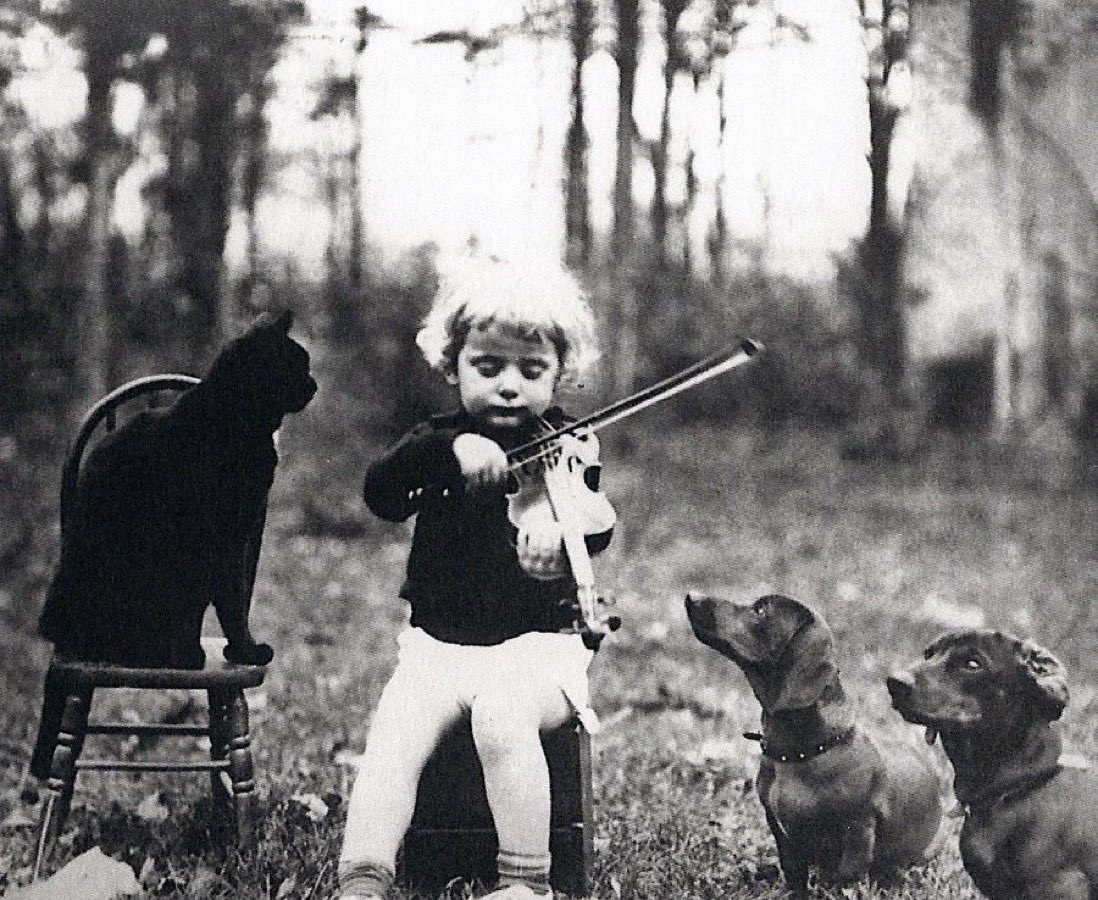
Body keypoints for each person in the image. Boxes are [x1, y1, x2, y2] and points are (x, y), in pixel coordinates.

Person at [337, 253, 616, 900]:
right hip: (438, 648)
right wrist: (445, 452)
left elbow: (592, 523)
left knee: (502, 714)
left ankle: (526, 883)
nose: (509, 386)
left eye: (532, 369)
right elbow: (381, 493)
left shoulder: (568, 448)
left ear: (559, 373)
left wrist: (557, 530)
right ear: (453, 365)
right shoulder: (435, 442)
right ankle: (363, 877)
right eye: (488, 368)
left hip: (538, 650)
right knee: (392, 738)